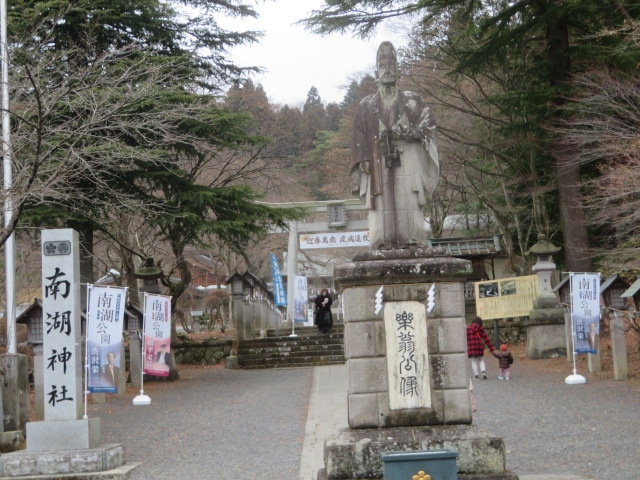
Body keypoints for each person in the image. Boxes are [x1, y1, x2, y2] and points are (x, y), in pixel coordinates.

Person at [351, 41, 440, 249]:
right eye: (382, 66)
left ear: (398, 70)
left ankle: (413, 240)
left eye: (392, 66)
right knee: (380, 202)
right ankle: (381, 242)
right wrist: (363, 159)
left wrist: (411, 133)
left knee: (409, 198)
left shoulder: (413, 101)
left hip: (409, 157)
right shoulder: (366, 105)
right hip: (377, 160)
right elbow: (358, 134)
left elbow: (429, 125)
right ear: (376, 72)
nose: (388, 70)